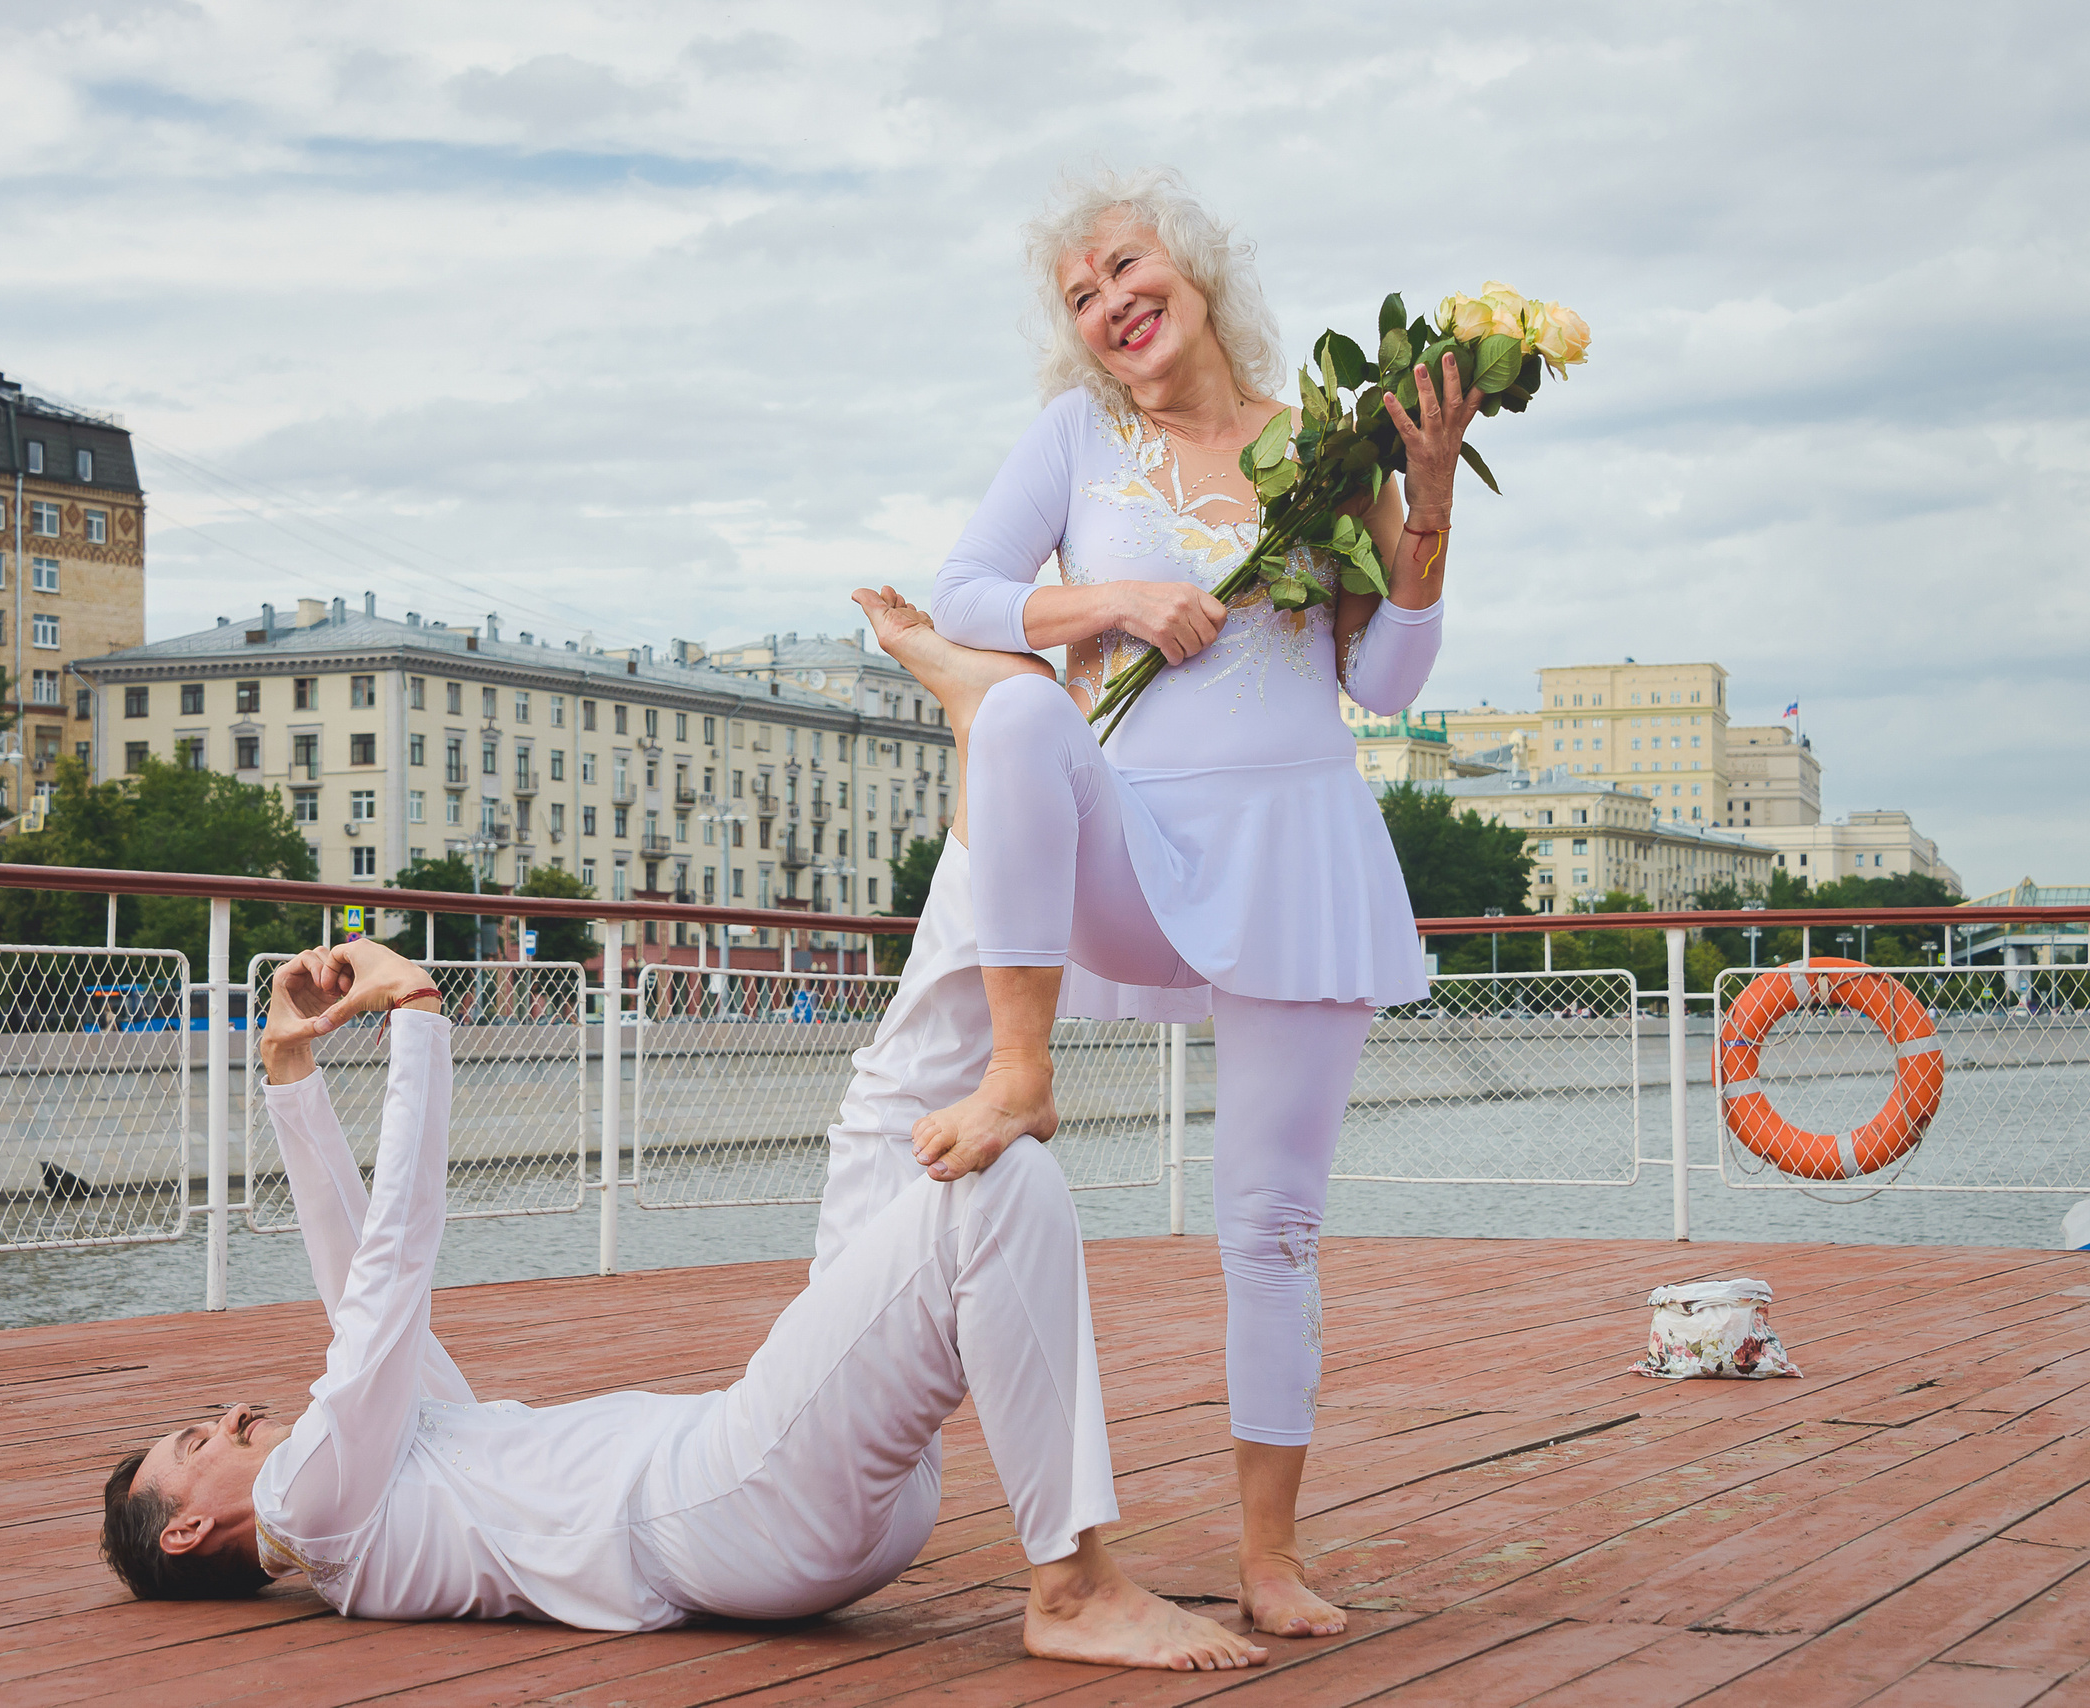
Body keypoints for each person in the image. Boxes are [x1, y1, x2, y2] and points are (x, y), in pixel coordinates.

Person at [846, 165, 1479, 1641]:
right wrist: (1115, 602)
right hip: (1133, 837)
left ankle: (1268, 1559)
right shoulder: (1079, 437)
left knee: (1270, 1227)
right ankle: (1023, 1066)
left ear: (1195, 278)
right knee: (1008, 721)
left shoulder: (1321, 443)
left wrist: (1427, 496)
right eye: (1080, 296)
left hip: (1301, 848)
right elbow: (970, 586)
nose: (1110, 304)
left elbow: (1382, 681)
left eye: (1127, 270)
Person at [99, 932, 1263, 1672]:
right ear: (194, 1528)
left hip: (774, 1489)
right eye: (198, 1442)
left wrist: (291, 1075)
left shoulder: (373, 1484)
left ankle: (986, 818)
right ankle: (1071, 1584)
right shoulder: (314, 1508)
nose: (237, 1414)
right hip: (734, 1502)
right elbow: (394, 1272)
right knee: (995, 1176)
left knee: (888, 1105)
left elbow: (361, 1286)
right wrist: (419, 1021)